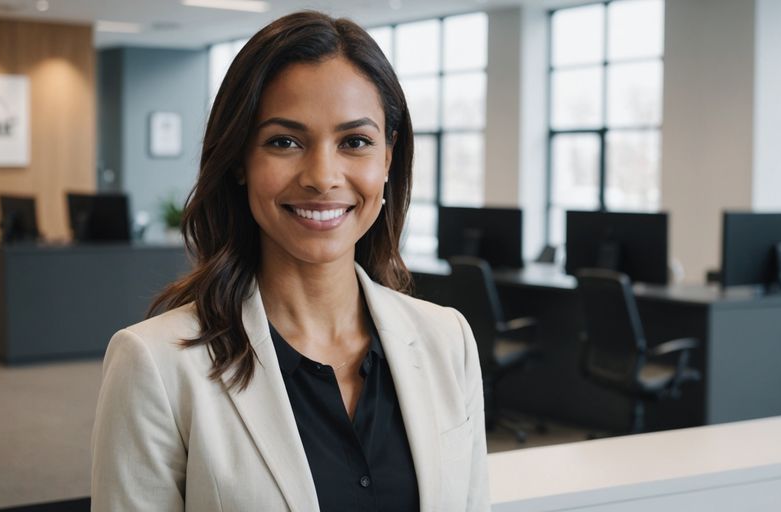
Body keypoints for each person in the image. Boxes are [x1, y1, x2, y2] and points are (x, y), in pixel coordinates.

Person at [90, 11, 489, 512]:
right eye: (285, 141)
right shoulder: (156, 364)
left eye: (355, 142)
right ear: (239, 160)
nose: (323, 177)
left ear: (388, 159)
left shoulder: (447, 340)